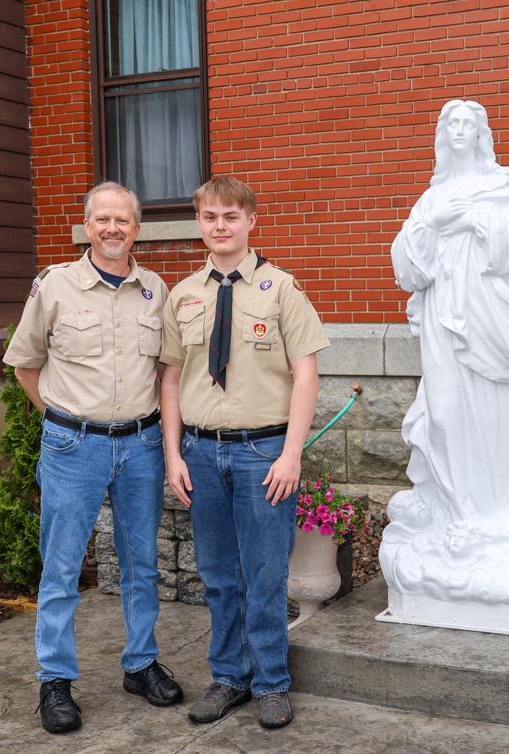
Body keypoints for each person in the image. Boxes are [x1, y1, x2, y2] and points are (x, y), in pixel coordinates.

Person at [4, 181, 182, 734]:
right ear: (87, 227)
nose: (112, 228)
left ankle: (141, 664)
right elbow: (25, 366)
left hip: (141, 446)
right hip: (73, 447)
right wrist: (63, 421)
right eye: (102, 219)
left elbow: (166, 372)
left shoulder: (155, 290)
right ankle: (55, 679)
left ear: (136, 229)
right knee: (61, 567)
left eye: (122, 220)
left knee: (141, 563)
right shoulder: (54, 285)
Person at [380, 99, 509, 614]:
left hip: (492, 325)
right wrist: (433, 224)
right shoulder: (431, 198)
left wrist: (485, 223)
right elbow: (406, 267)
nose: (460, 131)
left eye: (469, 124)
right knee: (444, 416)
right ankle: (453, 515)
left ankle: (497, 523)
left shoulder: (502, 190)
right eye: (452, 124)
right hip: (444, 326)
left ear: (482, 135)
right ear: (442, 136)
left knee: (492, 417)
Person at [159, 176, 327, 729]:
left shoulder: (282, 289)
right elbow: (170, 378)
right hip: (202, 454)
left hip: (264, 454)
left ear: (251, 221)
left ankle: (271, 683)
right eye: (210, 217)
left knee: (264, 575)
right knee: (218, 577)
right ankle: (229, 677)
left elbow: (306, 374)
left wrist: (292, 454)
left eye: (231, 216)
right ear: (199, 223)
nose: (220, 226)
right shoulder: (183, 295)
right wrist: (174, 455)